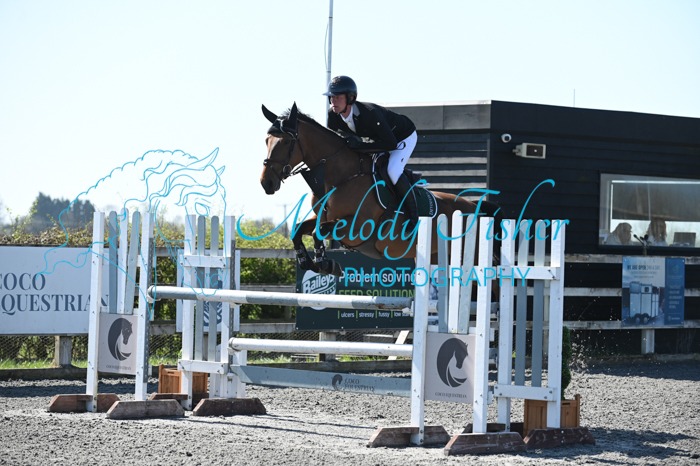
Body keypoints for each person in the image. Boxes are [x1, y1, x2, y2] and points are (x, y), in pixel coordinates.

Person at [324, 75, 419, 229]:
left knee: (392, 170)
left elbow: (390, 144)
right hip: (379, 140)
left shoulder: (370, 113)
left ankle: (413, 217)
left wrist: (360, 146)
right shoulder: (332, 115)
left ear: (350, 98)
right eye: (332, 97)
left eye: (338, 97)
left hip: (402, 137)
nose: (333, 101)